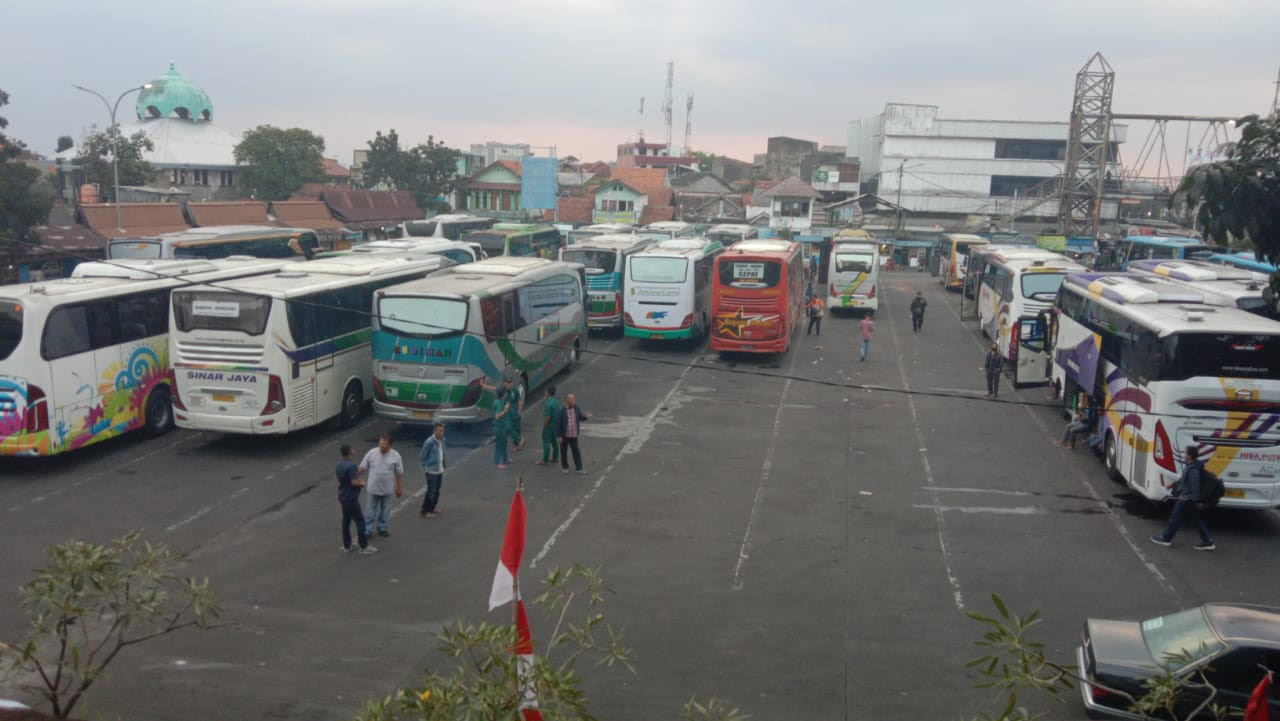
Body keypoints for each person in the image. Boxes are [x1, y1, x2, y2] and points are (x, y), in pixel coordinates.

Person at [1150, 447, 1215, 551]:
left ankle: (1166, 538)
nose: (1184, 455)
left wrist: (1196, 501)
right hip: (1190, 498)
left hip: (1187, 498)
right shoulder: (1191, 466)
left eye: (1185, 453)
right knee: (1197, 520)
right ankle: (1208, 541)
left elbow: (1194, 486)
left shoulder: (1193, 469)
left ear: (1189, 455)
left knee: (1175, 517)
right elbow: (1184, 480)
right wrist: (1172, 485)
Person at [360, 435, 403, 539]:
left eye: (383, 444)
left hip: (387, 490)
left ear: (389, 445)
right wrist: (354, 477)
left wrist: (399, 488)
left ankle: (382, 528)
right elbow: (362, 467)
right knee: (370, 511)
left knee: (385, 510)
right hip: (373, 489)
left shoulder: (396, 456)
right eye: (380, 443)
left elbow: (399, 473)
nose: (381, 446)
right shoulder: (372, 453)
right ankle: (367, 530)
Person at [336, 444, 376, 554]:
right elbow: (353, 482)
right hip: (351, 498)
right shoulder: (351, 466)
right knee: (360, 521)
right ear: (350, 452)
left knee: (346, 521)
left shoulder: (339, 464)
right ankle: (364, 546)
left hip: (343, 497)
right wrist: (362, 483)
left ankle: (347, 545)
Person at [557, 392, 591, 475]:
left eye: (573, 399)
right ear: (567, 401)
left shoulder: (576, 408)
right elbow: (558, 424)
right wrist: (559, 436)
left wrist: (586, 416)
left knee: (576, 452)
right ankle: (565, 467)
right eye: (571, 399)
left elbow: (580, 417)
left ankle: (579, 468)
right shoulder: (561, 410)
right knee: (563, 452)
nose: (573, 401)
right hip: (565, 435)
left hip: (573, 435)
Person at [418, 423, 446, 518]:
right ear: (434, 431)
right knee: (431, 491)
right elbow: (422, 455)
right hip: (431, 470)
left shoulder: (443, 440)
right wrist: (425, 467)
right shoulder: (429, 442)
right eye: (439, 431)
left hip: (439, 469)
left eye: (442, 431)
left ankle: (432, 507)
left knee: (437, 490)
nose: (442, 433)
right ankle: (425, 511)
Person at [536, 386, 561, 466]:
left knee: (546, 443)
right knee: (555, 442)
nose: (545, 393)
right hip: (555, 425)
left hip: (549, 426)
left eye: (546, 391)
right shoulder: (556, 401)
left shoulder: (548, 403)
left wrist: (545, 424)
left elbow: (548, 417)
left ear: (548, 393)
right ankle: (555, 457)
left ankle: (545, 459)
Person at [503, 377, 525, 452]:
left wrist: (519, 411)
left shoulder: (515, 391)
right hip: (508, 413)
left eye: (510, 383)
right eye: (507, 383)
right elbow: (494, 389)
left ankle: (518, 446)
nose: (509, 384)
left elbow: (520, 401)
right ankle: (520, 440)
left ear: (512, 383)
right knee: (508, 427)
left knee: (517, 429)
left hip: (515, 412)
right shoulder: (503, 391)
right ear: (504, 383)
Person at [493, 387, 510, 469]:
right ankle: (498, 462)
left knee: (503, 444)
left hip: (502, 426)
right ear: (503, 395)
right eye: (505, 393)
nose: (506, 394)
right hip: (499, 427)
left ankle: (505, 459)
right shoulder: (499, 403)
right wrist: (505, 409)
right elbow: (497, 416)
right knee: (499, 445)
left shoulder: (499, 401)